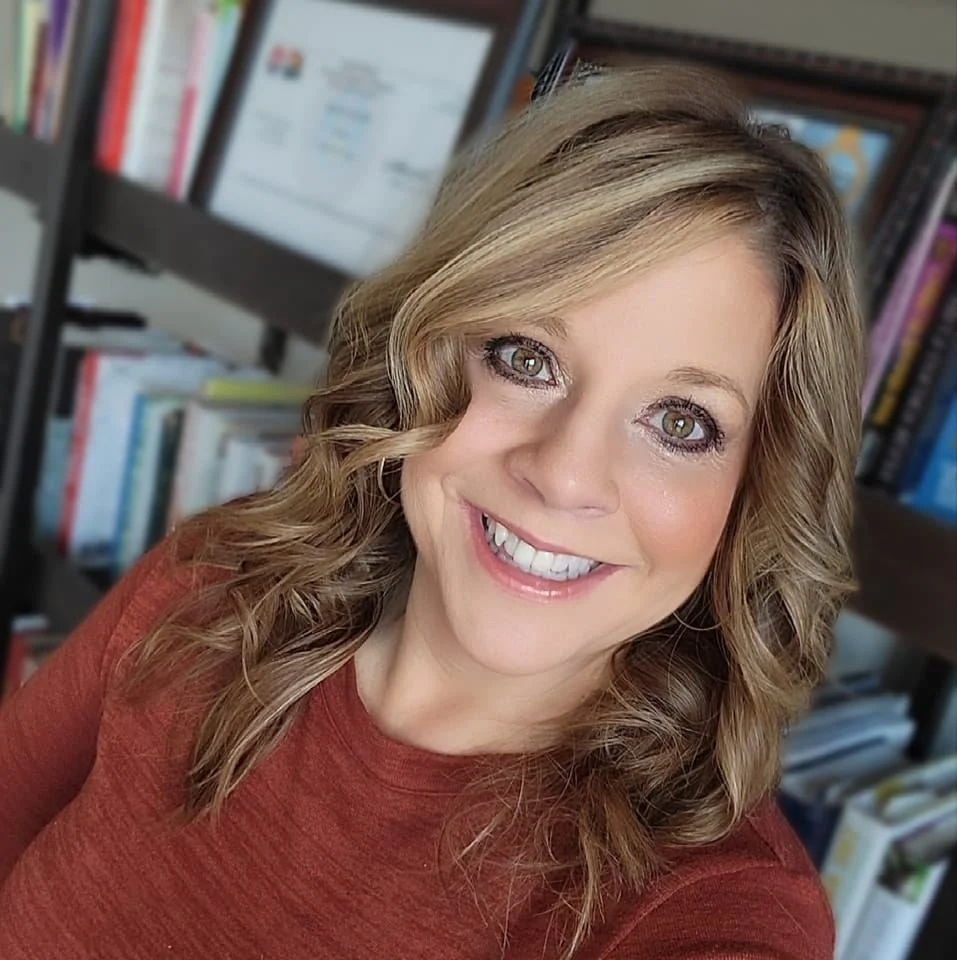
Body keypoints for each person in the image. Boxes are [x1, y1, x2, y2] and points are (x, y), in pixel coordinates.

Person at [0, 63, 863, 959]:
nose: (564, 475)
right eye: (524, 357)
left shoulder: (711, 909)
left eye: (680, 423)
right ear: (420, 352)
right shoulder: (211, 582)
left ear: (757, 486)